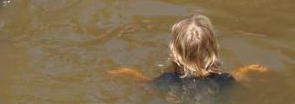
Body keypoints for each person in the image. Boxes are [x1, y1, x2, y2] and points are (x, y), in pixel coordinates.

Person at [109, 14, 267, 99]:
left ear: (175, 54)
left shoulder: (167, 80)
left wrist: (132, 73)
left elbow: (148, 85)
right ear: (214, 50)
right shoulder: (224, 80)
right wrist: (245, 70)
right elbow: (236, 78)